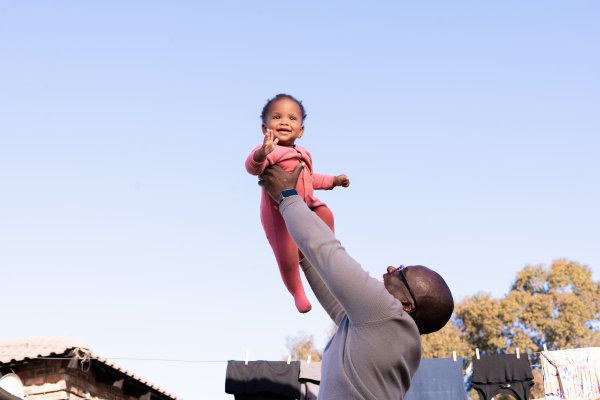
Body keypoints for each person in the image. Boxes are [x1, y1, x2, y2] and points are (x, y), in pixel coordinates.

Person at [258, 163, 454, 399]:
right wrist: (302, 253)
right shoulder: (379, 330)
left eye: (401, 272)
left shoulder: (389, 317)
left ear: (407, 304)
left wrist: (289, 197)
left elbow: (328, 253)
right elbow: (331, 288)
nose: (391, 268)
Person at [245, 93, 350, 313]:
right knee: (287, 255)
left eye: (292, 118)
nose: (284, 121)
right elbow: (253, 167)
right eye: (277, 117)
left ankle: (321, 250)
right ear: (265, 129)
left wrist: (334, 181)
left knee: (325, 213)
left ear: (301, 130)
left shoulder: (304, 153)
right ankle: (297, 292)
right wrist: (262, 153)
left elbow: (310, 180)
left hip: (305, 204)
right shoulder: (269, 150)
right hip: (278, 212)